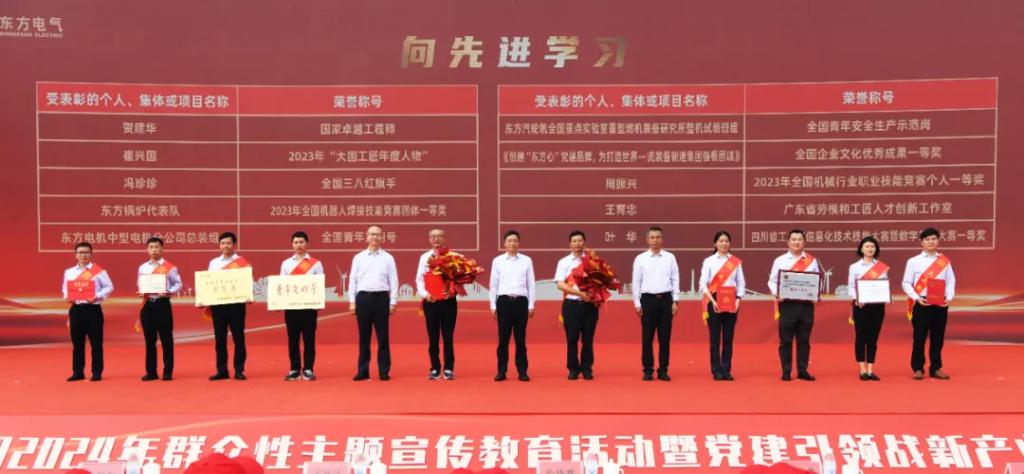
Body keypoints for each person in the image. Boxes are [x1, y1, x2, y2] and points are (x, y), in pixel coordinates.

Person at [902, 227, 956, 380]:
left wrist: (949, 297)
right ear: (922, 242)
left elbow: (951, 281)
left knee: (938, 338)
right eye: (927, 239)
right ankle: (918, 368)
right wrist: (917, 298)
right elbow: (906, 283)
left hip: (940, 303)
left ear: (938, 241)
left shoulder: (944, 261)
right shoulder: (913, 261)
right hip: (922, 303)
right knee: (919, 337)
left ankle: (936, 368)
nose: (931, 242)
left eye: (933, 239)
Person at [768, 229, 821, 381]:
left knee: (804, 340)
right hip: (787, 305)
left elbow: (817, 281)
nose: (797, 242)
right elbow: (772, 281)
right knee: (786, 340)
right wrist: (776, 293)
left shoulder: (811, 261)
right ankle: (786, 371)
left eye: (799, 239)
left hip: (806, 305)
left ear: (804, 242)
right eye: (794, 239)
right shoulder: (780, 260)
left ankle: (802, 370)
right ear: (788, 242)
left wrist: (816, 294)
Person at [348, 225, 399, 381]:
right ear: (367, 236)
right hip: (363, 299)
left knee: (383, 337)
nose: (375, 237)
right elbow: (352, 280)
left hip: (381, 299)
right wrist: (352, 302)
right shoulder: (359, 257)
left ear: (382, 237)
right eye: (372, 234)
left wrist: (393, 302)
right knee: (364, 337)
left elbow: (394, 280)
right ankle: (363, 371)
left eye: (377, 234)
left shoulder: (388, 258)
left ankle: (384, 371)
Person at [631, 226, 680, 381]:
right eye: (652, 237)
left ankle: (663, 370)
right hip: (648, 301)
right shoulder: (641, 258)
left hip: (666, 300)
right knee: (647, 338)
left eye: (658, 237)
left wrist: (675, 300)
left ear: (662, 239)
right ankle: (647, 370)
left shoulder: (670, 257)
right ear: (647, 239)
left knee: (664, 338)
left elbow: (675, 279)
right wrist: (637, 303)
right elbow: (636, 282)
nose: (655, 240)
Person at [488, 230, 536, 382]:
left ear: (519, 243)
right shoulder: (497, 261)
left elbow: (531, 284)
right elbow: (493, 285)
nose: (512, 243)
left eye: (515, 241)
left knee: (520, 340)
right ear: (504, 243)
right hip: (503, 302)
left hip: (521, 302)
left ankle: (522, 371)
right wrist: (493, 305)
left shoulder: (526, 260)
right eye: (509, 241)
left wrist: (531, 305)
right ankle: (501, 371)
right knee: (503, 339)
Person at [62, 241, 113, 382]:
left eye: (86, 252)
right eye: (80, 252)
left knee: (96, 343)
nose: (83, 255)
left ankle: (96, 372)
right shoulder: (69, 272)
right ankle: (78, 372)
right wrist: (66, 296)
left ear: (91, 254)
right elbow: (65, 287)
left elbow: (109, 287)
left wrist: (97, 296)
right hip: (76, 309)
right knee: (77, 343)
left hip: (93, 310)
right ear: (75, 255)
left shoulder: (99, 271)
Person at [699, 231, 745, 381]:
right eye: (721, 241)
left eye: (726, 241)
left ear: (729, 243)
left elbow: (741, 283)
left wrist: (738, 300)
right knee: (714, 339)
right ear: (715, 243)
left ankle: (726, 369)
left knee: (728, 339)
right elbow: (702, 285)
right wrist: (713, 301)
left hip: (732, 302)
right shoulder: (709, 261)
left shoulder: (735, 262)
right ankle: (716, 370)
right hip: (714, 301)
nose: (724, 244)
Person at [415, 227, 459, 380]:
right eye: (433, 236)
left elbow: (459, 278)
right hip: (431, 301)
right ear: (429, 239)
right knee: (433, 337)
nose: (436, 239)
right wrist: (425, 295)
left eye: (439, 236)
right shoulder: (424, 257)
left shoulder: (453, 256)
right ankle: (434, 368)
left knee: (448, 336)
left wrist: (453, 291)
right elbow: (419, 279)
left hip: (448, 302)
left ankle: (448, 368)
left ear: (444, 238)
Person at [205, 232, 251, 381]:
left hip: (236, 305)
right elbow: (208, 282)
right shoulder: (214, 263)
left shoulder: (242, 262)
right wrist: (204, 299)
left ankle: (239, 370)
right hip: (218, 306)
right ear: (219, 245)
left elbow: (248, 282)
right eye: (223, 243)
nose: (225, 246)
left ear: (234, 245)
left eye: (228, 243)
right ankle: (222, 370)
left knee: (238, 338)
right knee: (220, 340)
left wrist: (248, 295)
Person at [280, 231, 324, 381]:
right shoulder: (286, 264)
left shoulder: (316, 263)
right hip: (291, 307)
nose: (299, 245)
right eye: (296, 242)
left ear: (307, 243)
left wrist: (318, 302)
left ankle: (308, 369)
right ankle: (294, 369)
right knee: (293, 339)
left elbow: (319, 285)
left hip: (309, 308)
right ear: (292, 244)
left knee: (309, 339)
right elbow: (283, 285)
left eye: (301, 242)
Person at [555, 230, 599, 380]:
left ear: (584, 243)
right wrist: (580, 294)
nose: (577, 244)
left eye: (580, 241)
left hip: (589, 306)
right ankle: (573, 368)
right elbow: (560, 284)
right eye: (574, 241)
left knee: (588, 338)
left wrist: (593, 295)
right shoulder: (563, 262)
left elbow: (600, 281)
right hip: (571, 305)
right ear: (570, 244)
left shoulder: (592, 261)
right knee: (572, 338)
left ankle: (587, 368)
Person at [137, 236, 182, 381]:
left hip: (162, 304)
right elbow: (140, 283)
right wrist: (141, 290)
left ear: (162, 249)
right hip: (147, 305)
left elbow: (178, 284)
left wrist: (169, 291)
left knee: (166, 339)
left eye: (157, 247)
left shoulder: (169, 267)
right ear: (147, 249)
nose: (154, 250)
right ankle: (151, 372)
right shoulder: (143, 267)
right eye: (151, 247)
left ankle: (167, 371)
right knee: (149, 340)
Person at [846, 236, 889, 381]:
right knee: (861, 337)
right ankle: (862, 369)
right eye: (867, 246)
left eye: (872, 246)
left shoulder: (881, 267)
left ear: (876, 249)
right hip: (861, 306)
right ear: (861, 249)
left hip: (878, 306)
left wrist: (886, 296)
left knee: (873, 338)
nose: (870, 249)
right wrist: (857, 298)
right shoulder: (854, 267)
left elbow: (883, 286)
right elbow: (851, 287)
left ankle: (870, 369)